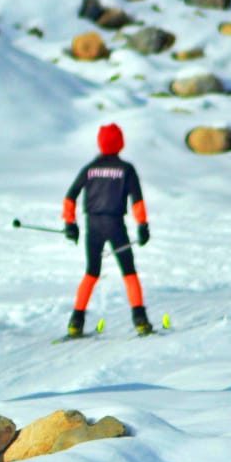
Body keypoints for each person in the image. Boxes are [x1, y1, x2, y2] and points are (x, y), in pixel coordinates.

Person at [62, 123, 153, 336]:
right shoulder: (126, 170)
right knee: (129, 272)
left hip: (93, 225)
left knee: (91, 272)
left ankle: (76, 321)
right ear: (120, 143)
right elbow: (137, 201)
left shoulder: (90, 169)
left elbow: (70, 196)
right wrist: (142, 226)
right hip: (115, 226)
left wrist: (70, 224)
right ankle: (140, 319)